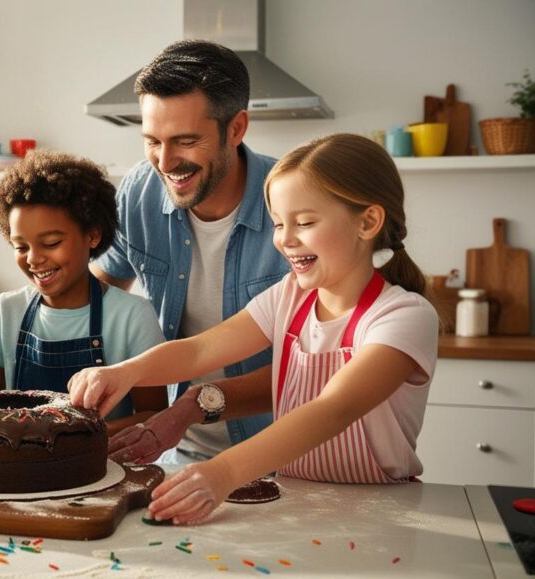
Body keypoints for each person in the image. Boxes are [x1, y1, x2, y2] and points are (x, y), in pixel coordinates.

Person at [70, 133, 439, 524]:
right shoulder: (289, 297)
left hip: (384, 515)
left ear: (368, 222)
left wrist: (224, 472)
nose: (284, 240)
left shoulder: (403, 316)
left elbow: (333, 409)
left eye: (305, 222)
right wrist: (126, 372)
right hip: (295, 503)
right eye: (279, 224)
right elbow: (199, 351)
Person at [91, 40, 289, 462]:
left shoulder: (293, 204)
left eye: (185, 140)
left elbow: (317, 365)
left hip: (286, 455)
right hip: (178, 451)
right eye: (151, 141)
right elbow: (98, 295)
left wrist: (192, 407)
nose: (164, 161)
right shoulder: (139, 192)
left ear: (236, 129)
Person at [0, 151, 168, 434]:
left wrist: (75, 439)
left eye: (51, 243)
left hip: (102, 470)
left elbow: (153, 416)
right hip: (19, 471)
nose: (33, 259)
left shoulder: (132, 316)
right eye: (21, 246)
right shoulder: (7, 310)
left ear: (92, 235)